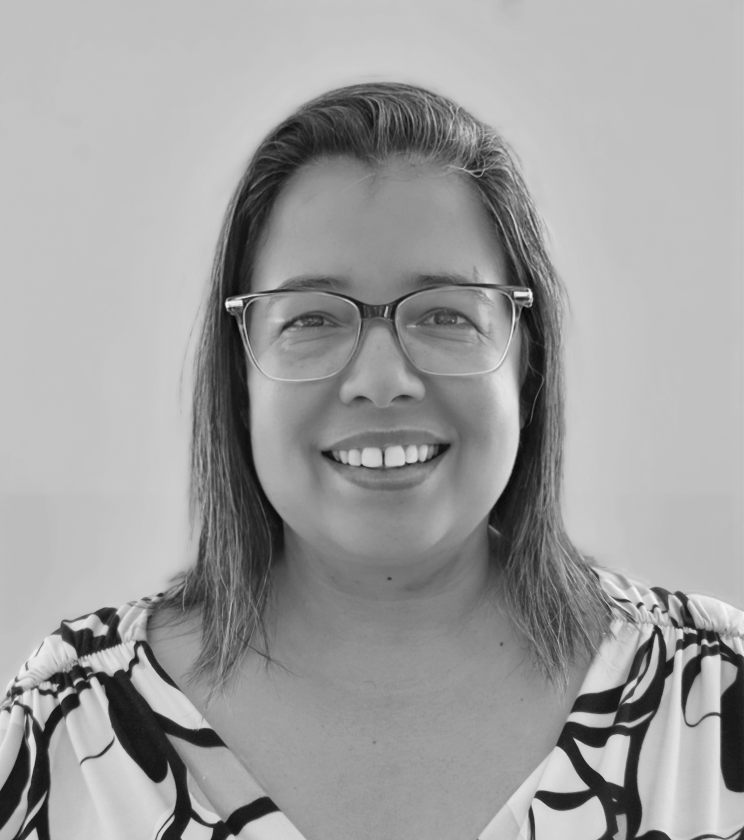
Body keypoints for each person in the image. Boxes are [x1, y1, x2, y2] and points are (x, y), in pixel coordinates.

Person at [1, 82, 742, 840]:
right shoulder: (67, 732)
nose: (382, 380)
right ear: (239, 378)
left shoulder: (718, 700)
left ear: (529, 365)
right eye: (311, 319)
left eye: (446, 313)